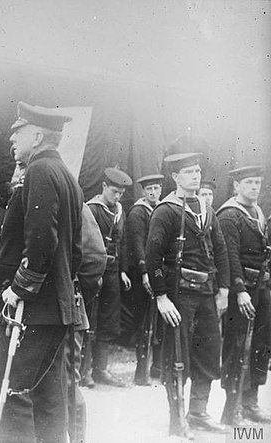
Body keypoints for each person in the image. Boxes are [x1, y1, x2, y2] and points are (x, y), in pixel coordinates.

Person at [0, 101, 82, 443]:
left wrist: (21, 288)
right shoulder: (67, 176)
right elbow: (76, 250)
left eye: (18, 133)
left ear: (38, 135)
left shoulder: (40, 172)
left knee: (9, 392)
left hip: (31, 308)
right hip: (54, 308)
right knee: (48, 397)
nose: (12, 140)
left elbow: (42, 239)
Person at [146, 152, 230, 438]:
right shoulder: (166, 211)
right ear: (175, 178)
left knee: (208, 353)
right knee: (177, 358)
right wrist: (161, 297)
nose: (195, 176)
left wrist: (224, 290)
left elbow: (221, 250)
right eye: (189, 172)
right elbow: (152, 258)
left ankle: (198, 413)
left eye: (197, 171)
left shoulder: (206, 207)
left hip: (206, 293)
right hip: (178, 295)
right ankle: (176, 420)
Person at [217, 166, 271, 425]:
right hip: (241, 292)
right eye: (249, 182)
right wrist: (239, 291)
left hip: (260, 289)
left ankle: (251, 401)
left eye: (258, 182)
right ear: (236, 186)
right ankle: (231, 407)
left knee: (261, 345)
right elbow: (230, 256)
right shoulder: (229, 215)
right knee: (236, 346)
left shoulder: (258, 213)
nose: (254, 187)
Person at [83, 167, 133, 387]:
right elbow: (86, 244)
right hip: (94, 271)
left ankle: (101, 369)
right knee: (90, 319)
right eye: (114, 191)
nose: (117, 196)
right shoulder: (92, 209)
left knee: (109, 319)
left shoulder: (120, 210)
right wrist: (94, 272)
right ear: (103, 186)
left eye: (121, 193)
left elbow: (121, 243)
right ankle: (83, 372)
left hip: (113, 271)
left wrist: (121, 270)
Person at [67, 203, 107, 443]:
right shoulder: (22, 198)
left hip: (67, 308)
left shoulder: (76, 205)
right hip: (30, 314)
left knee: (68, 380)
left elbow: (95, 259)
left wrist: (77, 295)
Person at [127, 173, 164, 385]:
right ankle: (141, 372)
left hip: (159, 272)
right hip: (143, 274)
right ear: (143, 192)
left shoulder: (162, 209)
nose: (152, 193)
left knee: (159, 321)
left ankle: (157, 367)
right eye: (149, 189)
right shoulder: (138, 212)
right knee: (144, 323)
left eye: (156, 189)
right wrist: (144, 273)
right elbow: (138, 243)